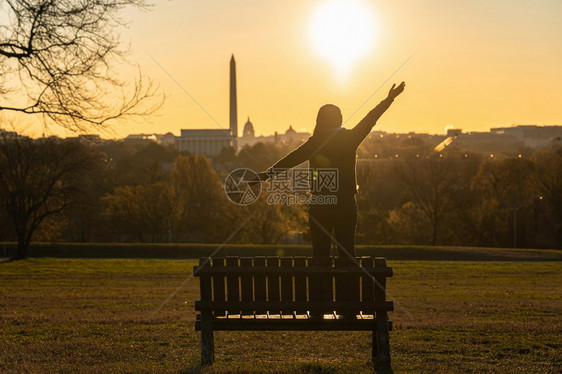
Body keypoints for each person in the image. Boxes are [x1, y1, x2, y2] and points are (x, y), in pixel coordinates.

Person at [259, 82, 406, 259]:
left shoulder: (314, 143)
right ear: (339, 119)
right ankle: (348, 287)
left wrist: (266, 175)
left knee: (320, 257)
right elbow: (371, 118)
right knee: (347, 255)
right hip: (345, 203)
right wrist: (389, 99)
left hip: (321, 203)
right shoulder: (349, 139)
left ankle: (321, 287)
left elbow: (290, 161)